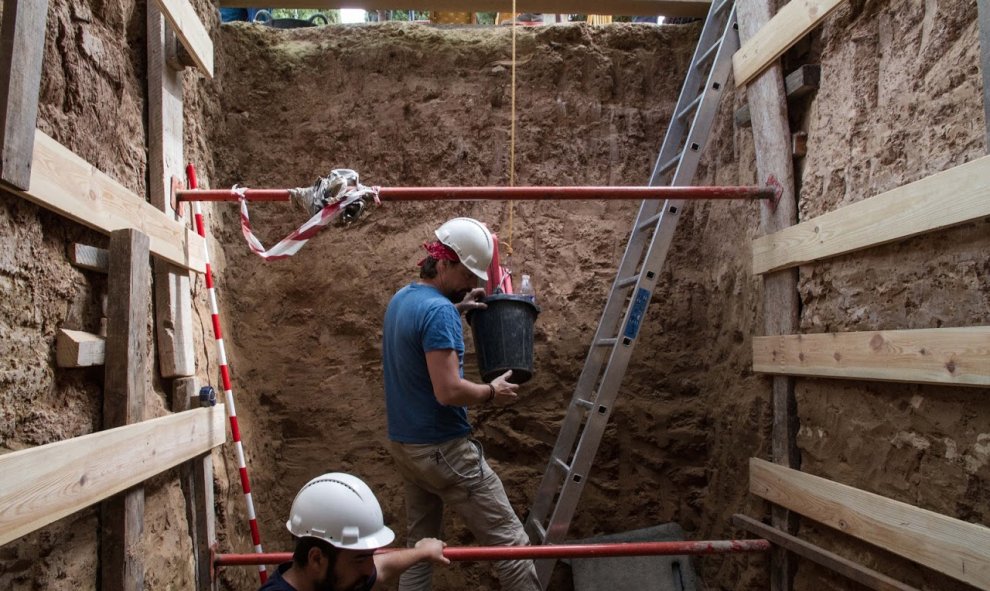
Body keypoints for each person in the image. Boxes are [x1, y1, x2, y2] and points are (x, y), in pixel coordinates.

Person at [382, 217, 540, 591]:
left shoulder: (404, 299)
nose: (474, 283)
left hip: (408, 448)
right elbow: (448, 391)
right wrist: (490, 391)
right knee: (512, 546)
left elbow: (421, 331)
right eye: (468, 274)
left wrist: (459, 308)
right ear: (444, 263)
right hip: (444, 449)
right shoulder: (438, 313)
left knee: (419, 547)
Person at [261, 472, 449, 591]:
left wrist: (422, 552)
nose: (369, 568)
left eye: (368, 556)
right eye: (360, 558)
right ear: (316, 558)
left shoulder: (334, 580)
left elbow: (382, 568)